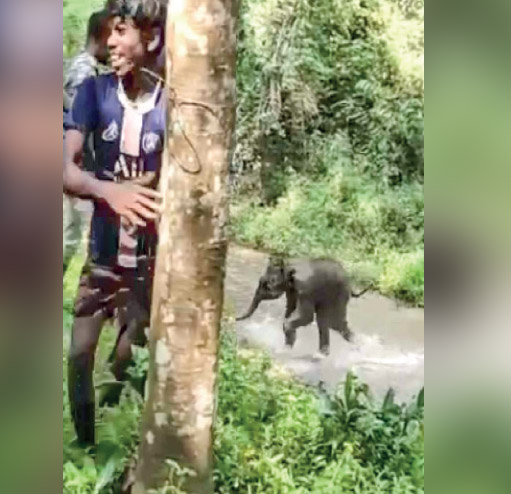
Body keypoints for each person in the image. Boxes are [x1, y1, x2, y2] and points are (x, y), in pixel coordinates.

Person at [63, 0, 167, 447]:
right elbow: (63, 169)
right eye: (108, 31)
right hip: (102, 258)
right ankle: (86, 445)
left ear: (152, 38)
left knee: (125, 360)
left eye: (121, 31)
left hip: (146, 268)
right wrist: (111, 192)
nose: (110, 41)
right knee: (78, 355)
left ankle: (113, 430)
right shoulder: (94, 93)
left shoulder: (171, 104)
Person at [63, 10, 111, 274]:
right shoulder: (84, 72)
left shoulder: (84, 67)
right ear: (101, 36)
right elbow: (76, 119)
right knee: (65, 236)